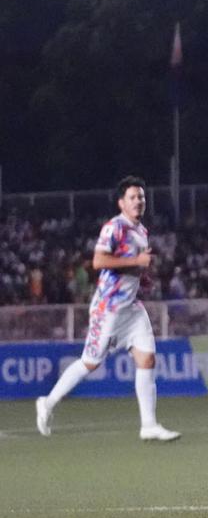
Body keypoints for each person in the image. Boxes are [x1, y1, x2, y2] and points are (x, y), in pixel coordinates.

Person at [35, 176, 181, 442]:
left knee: (147, 359)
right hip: (109, 308)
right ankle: (48, 402)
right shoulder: (115, 227)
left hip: (131, 308)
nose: (138, 201)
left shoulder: (141, 231)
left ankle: (149, 425)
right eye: (133, 197)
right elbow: (99, 261)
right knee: (90, 362)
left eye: (141, 197)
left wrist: (142, 277)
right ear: (121, 203)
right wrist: (136, 260)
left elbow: (131, 267)